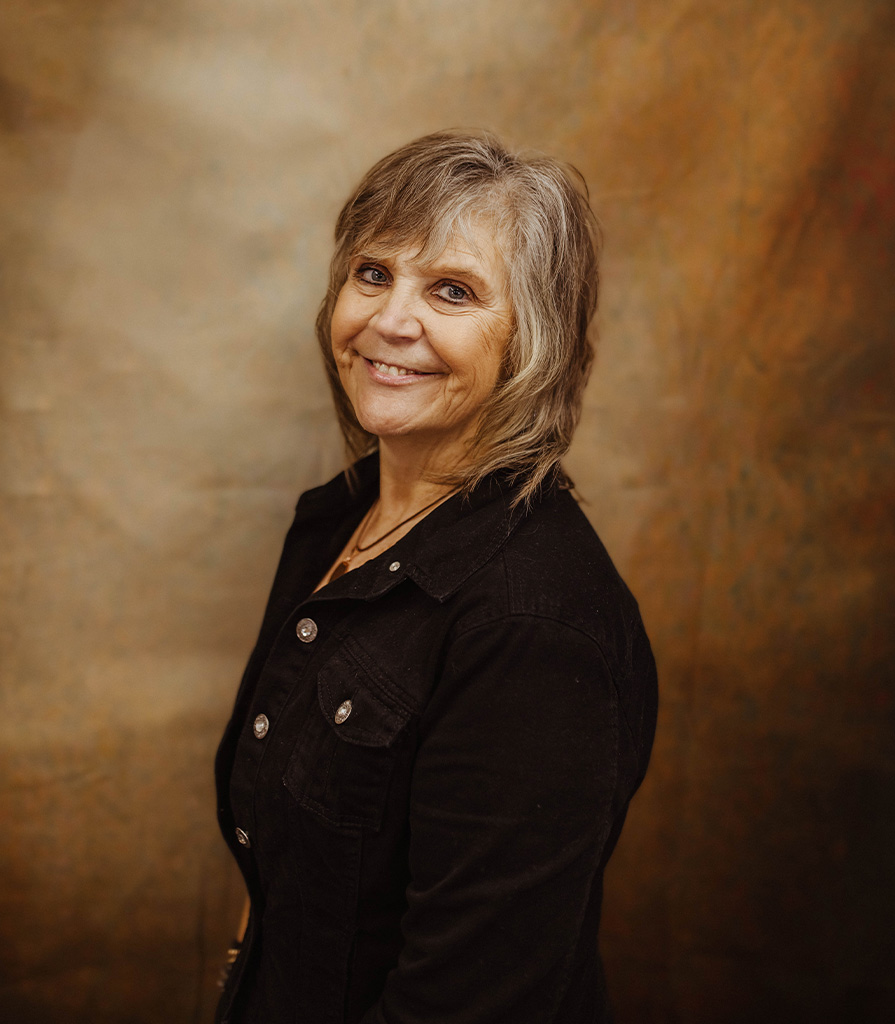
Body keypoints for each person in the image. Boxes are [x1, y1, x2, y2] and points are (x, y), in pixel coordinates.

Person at [214, 129, 657, 1024]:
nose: (389, 320)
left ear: (531, 342)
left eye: (451, 291)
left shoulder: (534, 627)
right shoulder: (337, 522)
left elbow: (463, 1004)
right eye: (373, 273)